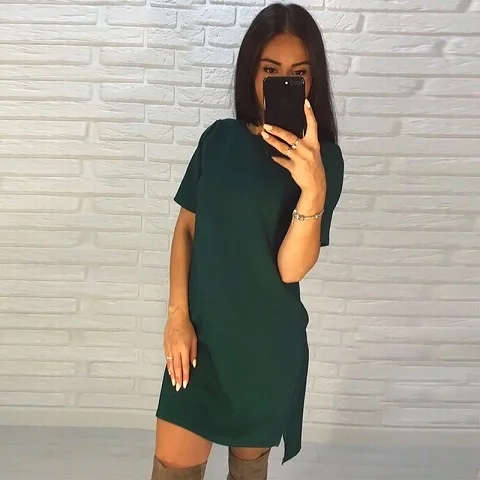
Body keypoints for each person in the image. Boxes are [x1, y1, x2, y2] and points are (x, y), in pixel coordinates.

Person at [151, 3, 344, 479]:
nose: (284, 81)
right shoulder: (218, 141)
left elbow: (290, 269)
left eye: (298, 72)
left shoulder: (324, 162)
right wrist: (177, 317)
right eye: (270, 70)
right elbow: (187, 229)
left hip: (265, 347)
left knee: (248, 472)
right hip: (200, 340)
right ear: (251, 72)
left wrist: (313, 188)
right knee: (172, 470)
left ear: (314, 79)